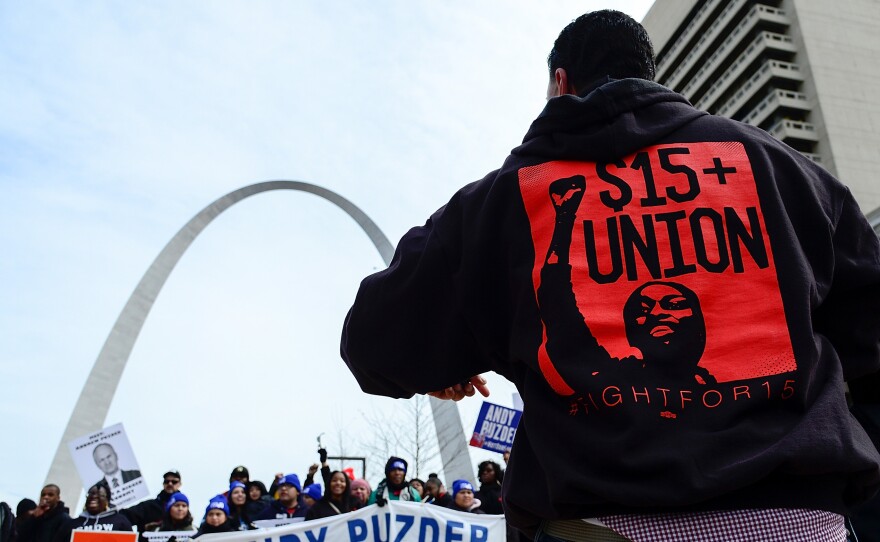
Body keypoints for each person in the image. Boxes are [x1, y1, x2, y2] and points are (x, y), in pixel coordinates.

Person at [339, 9, 880, 541]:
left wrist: (439, 358)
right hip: (799, 521)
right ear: (650, 77)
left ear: (560, 82)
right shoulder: (782, 169)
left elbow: (374, 342)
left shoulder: (499, 202)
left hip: (596, 524)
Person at [53, 483, 132, 542]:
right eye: (91, 494)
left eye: (100, 495)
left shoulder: (120, 521)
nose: (94, 496)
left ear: (107, 500)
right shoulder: (71, 524)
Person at [121, 470, 181, 534]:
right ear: (163, 484)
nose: (170, 483)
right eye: (167, 481)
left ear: (179, 484)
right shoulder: (148, 506)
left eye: (174, 482)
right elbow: (123, 518)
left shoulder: (184, 510)